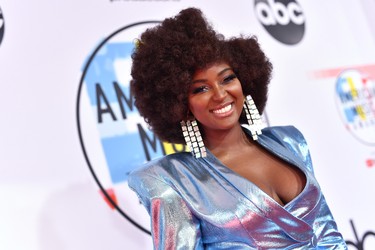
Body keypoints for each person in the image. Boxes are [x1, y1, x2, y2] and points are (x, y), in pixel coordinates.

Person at [128, 7, 347, 249]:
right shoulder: (171, 180)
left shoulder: (289, 141)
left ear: (245, 80)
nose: (220, 94)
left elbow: (328, 235)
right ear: (181, 105)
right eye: (201, 89)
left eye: (227, 78)